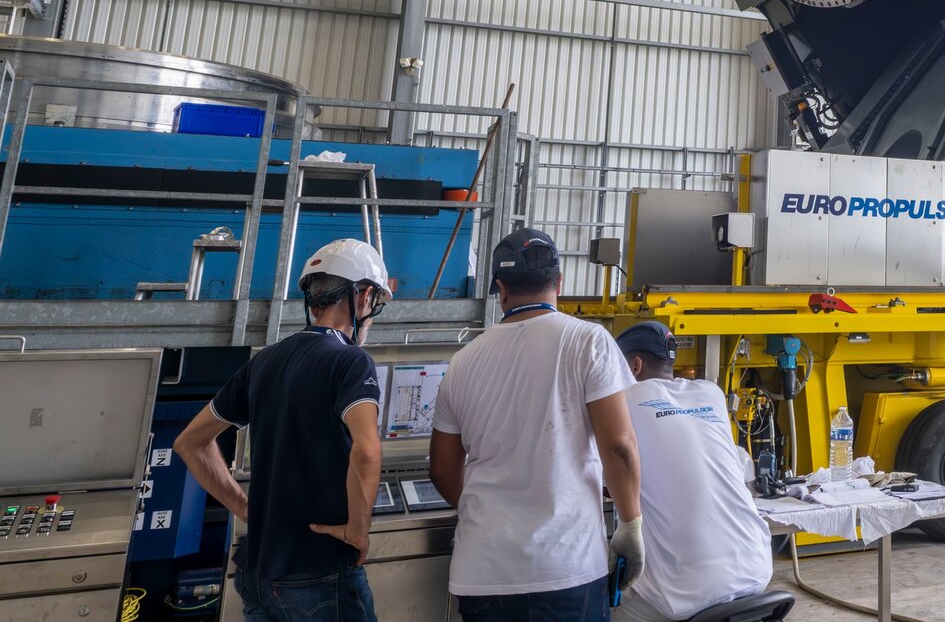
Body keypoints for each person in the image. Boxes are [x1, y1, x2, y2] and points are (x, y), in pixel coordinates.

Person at [430, 228, 645, 622]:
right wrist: (630, 525)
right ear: (559, 281)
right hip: (566, 569)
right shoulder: (587, 341)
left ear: (501, 289)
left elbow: (442, 468)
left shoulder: (463, 361)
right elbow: (619, 447)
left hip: (482, 573)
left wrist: (488, 516)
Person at [177, 238, 391, 622]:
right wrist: (359, 531)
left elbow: (190, 442)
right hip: (319, 571)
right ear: (364, 296)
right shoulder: (351, 361)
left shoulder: (265, 361)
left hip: (256, 571)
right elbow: (367, 450)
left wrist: (244, 507)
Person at [612, 321, 772, 622]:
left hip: (680, 596)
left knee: (598, 610)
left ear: (634, 366)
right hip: (756, 574)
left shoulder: (624, 400)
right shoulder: (711, 394)